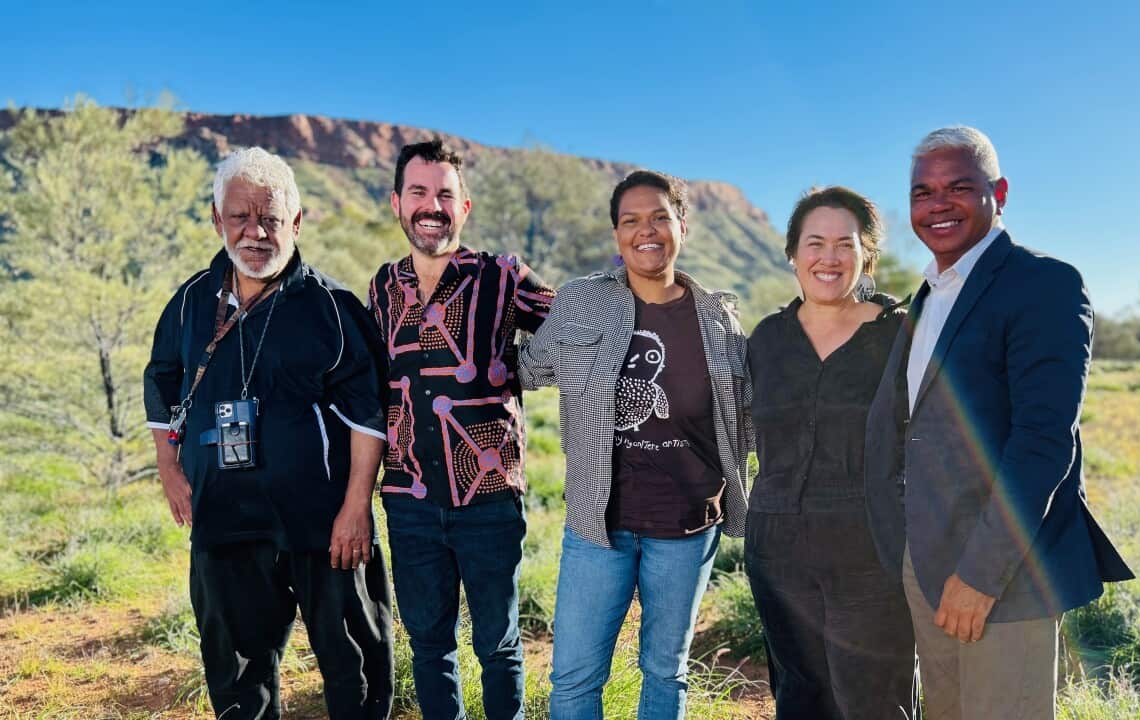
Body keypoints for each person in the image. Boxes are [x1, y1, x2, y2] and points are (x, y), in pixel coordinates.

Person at [864, 126, 1134, 720]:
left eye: (958, 187)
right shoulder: (926, 298)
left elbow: (1042, 442)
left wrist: (981, 577)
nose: (937, 204)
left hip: (1001, 578)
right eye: (922, 192)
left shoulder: (1043, 284)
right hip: (926, 563)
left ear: (999, 193)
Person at [143, 147, 394, 719]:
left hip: (324, 522)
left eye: (271, 219)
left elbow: (368, 416)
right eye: (239, 217)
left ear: (296, 222)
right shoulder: (188, 303)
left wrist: (357, 505)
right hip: (226, 518)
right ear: (217, 220)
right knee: (236, 678)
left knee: (357, 666)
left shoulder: (334, 308)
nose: (255, 232)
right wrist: (168, 467)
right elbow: (160, 380)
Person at [518, 170, 752, 720]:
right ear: (616, 235)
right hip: (599, 526)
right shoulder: (580, 302)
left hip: (688, 529)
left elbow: (748, 415)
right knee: (575, 677)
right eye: (631, 221)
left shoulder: (719, 318)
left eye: (659, 217)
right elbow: (527, 370)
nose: (646, 231)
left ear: (682, 227)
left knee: (665, 672)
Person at [367, 140, 555, 720]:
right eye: (419, 192)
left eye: (445, 194)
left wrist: (519, 367)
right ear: (398, 203)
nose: (432, 205)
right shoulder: (382, 286)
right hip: (408, 500)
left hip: (489, 499)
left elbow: (571, 330)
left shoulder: (502, 277)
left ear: (464, 206)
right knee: (429, 646)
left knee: (497, 646)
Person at [745, 187, 915, 719]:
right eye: (815, 242)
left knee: (873, 700)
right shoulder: (767, 338)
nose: (829, 257)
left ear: (868, 255)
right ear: (793, 252)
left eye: (846, 243)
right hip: (775, 546)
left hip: (868, 547)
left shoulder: (899, 335)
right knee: (799, 698)